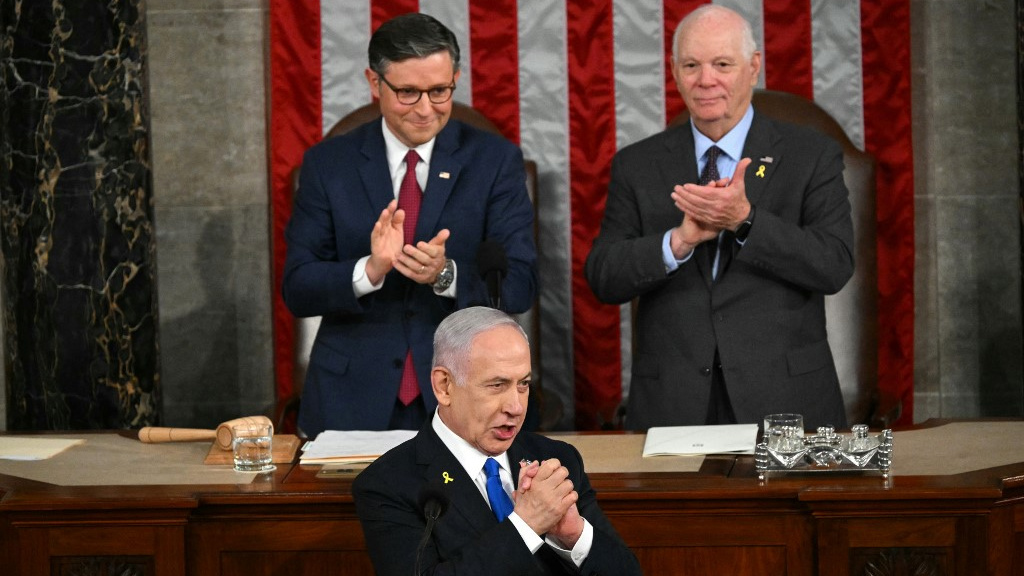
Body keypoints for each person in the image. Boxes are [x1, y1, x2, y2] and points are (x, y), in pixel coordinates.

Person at [585, 5, 854, 431]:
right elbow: (603, 275)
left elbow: (834, 264)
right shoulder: (637, 164)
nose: (705, 79)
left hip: (784, 401)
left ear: (754, 68)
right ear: (674, 73)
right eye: (691, 65)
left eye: (722, 64)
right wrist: (676, 243)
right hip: (673, 407)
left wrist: (745, 221)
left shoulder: (810, 155)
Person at [282, 13, 537, 437]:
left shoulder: (495, 163)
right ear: (374, 83)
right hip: (351, 400)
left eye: (439, 91)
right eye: (407, 92)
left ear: (455, 77)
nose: (424, 109)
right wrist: (370, 270)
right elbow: (298, 287)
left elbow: (520, 284)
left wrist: (446, 274)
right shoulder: (328, 165)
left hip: (463, 399)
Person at [352, 307, 643, 575]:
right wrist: (527, 526)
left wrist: (574, 536)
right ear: (444, 386)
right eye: (497, 385)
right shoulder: (389, 484)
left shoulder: (557, 459)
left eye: (523, 384)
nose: (515, 407)